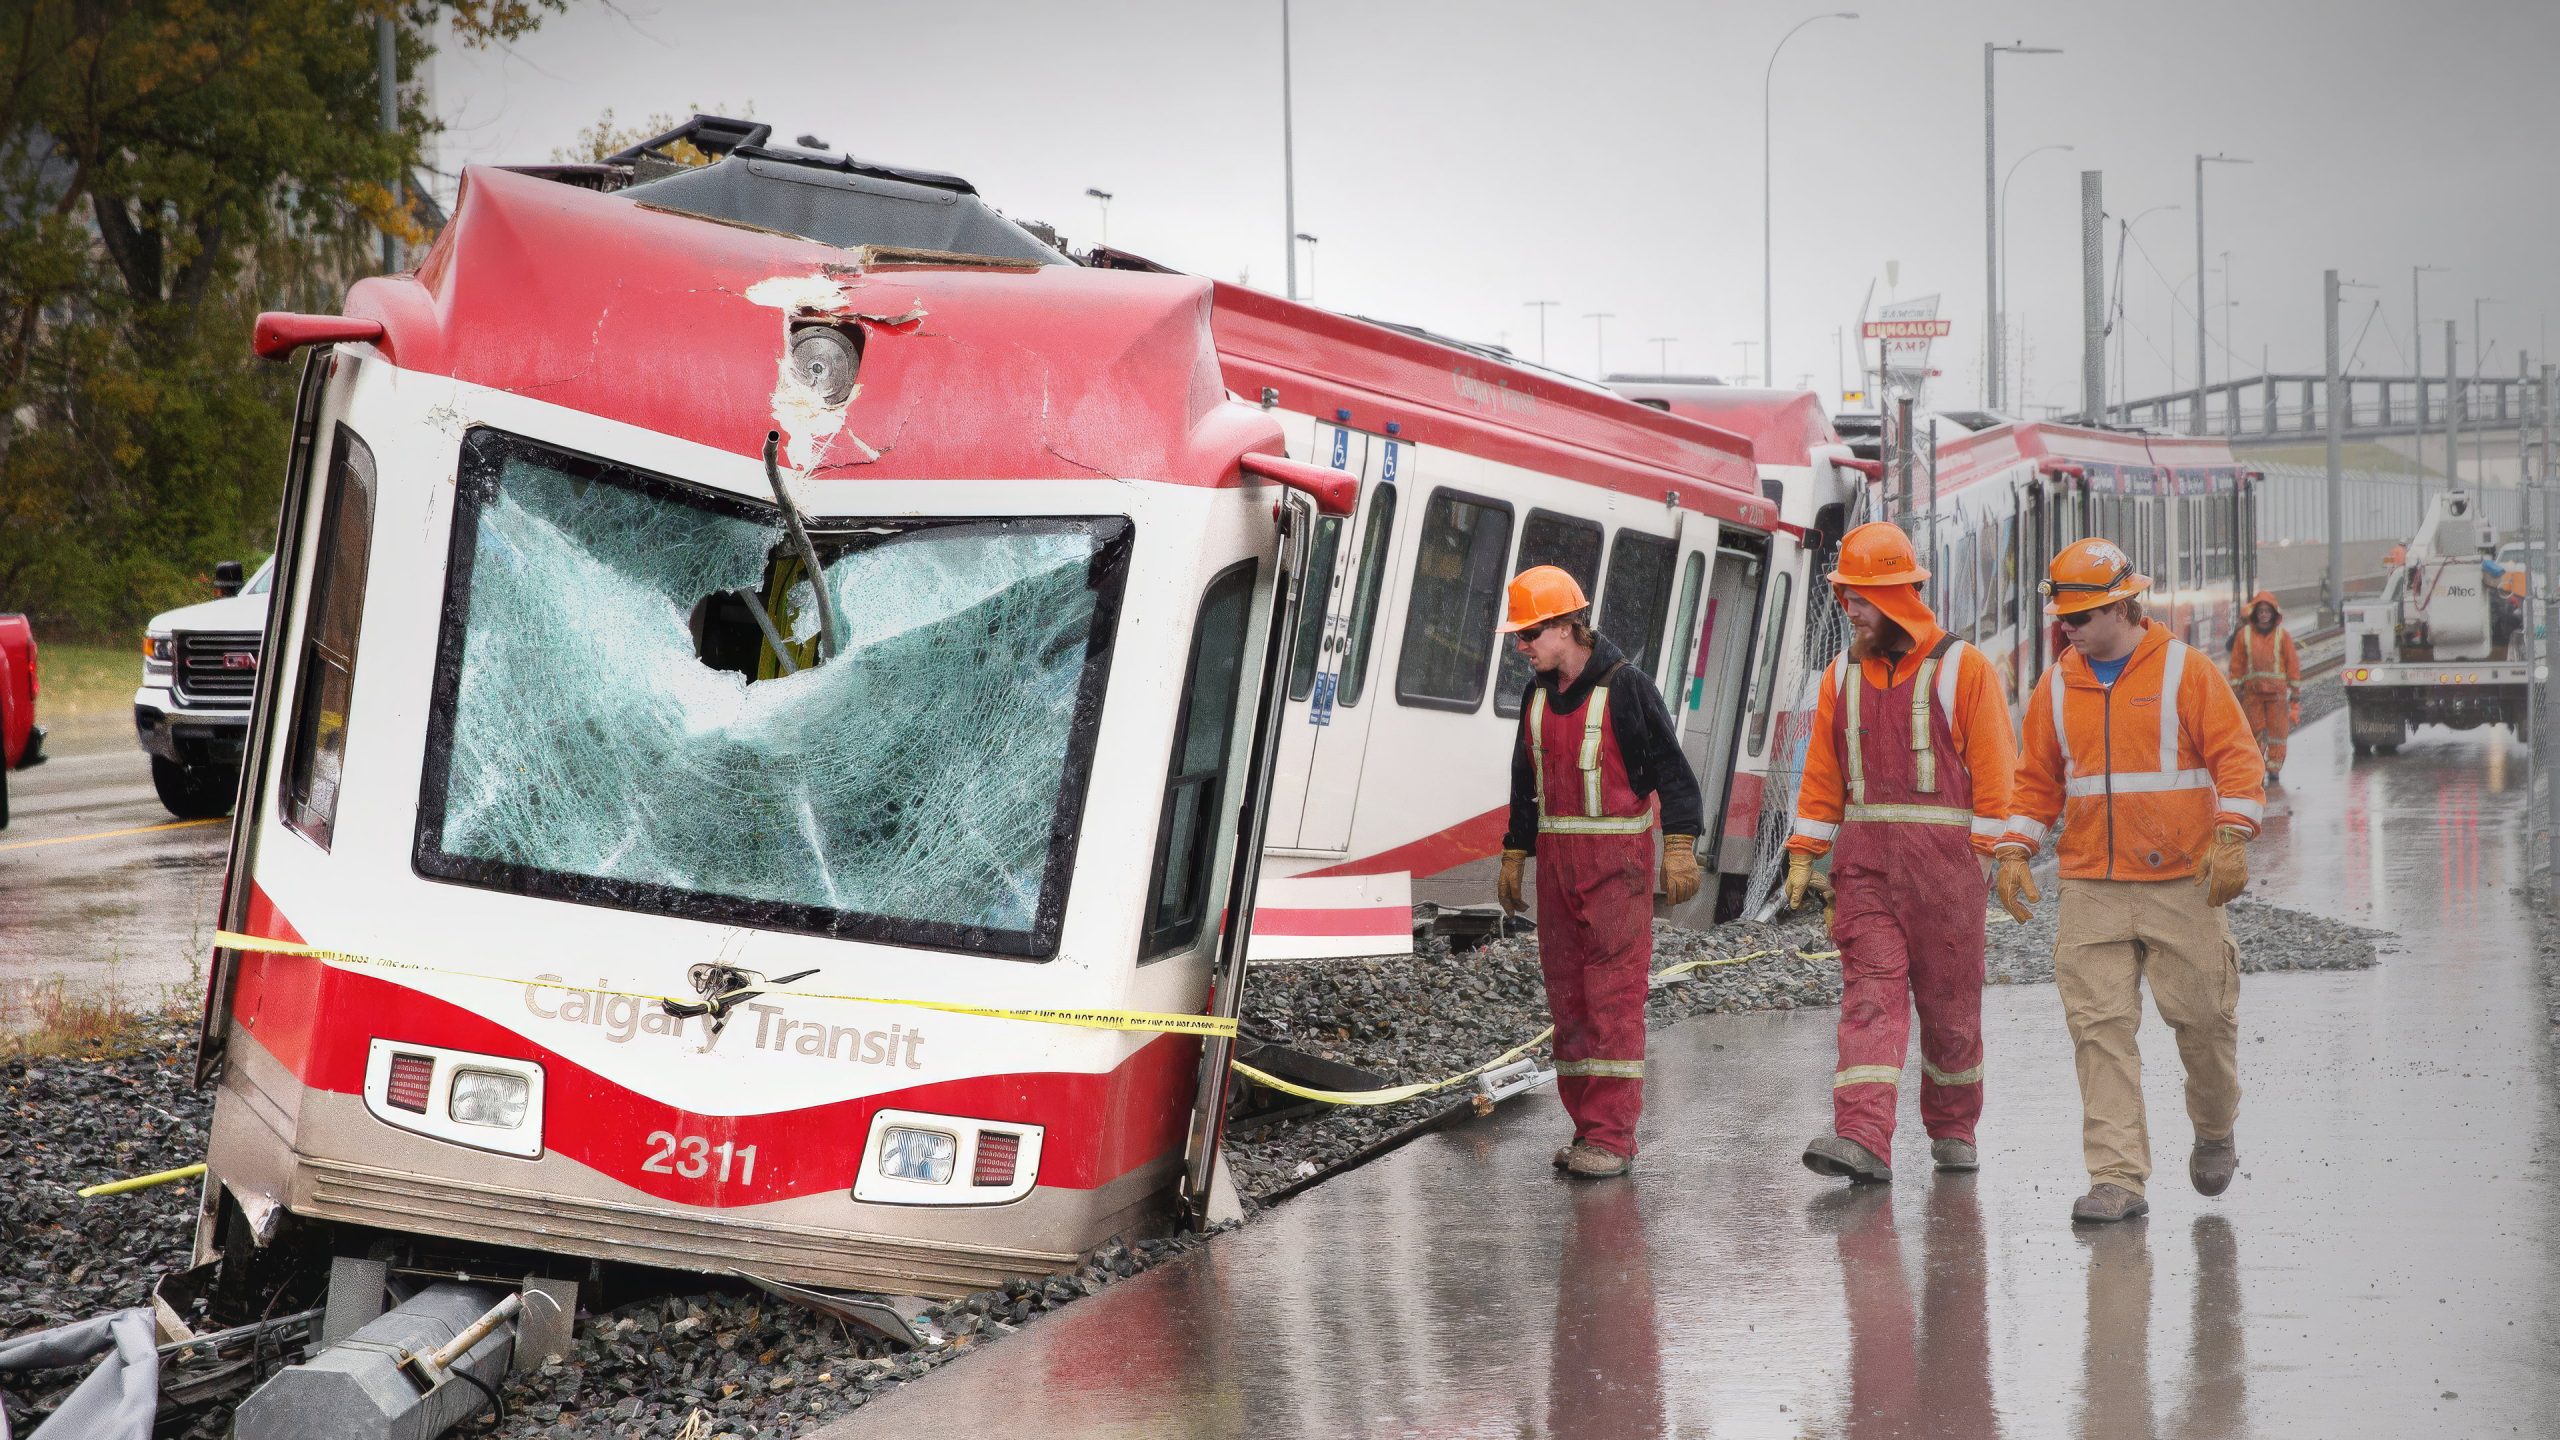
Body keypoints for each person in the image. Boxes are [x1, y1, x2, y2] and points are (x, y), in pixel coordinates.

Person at [1993, 538, 2266, 1225]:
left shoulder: (2186, 673)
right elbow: (2035, 783)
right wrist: (2015, 850)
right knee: (2098, 1030)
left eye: (2080, 617)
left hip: (2182, 883)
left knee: (2203, 1021)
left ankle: (2213, 1127)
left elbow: (2238, 761)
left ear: (2122, 606)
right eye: (2062, 618)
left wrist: (2231, 836)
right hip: (2091, 888)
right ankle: (2117, 1178)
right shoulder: (2055, 686)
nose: (2068, 629)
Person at [1783, 522, 2016, 1185]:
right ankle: (1862, 1137)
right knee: (1869, 1001)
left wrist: (1994, 855)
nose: (1849, 611)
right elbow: (1824, 777)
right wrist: (1805, 851)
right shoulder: (1841, 677)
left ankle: (1952, 1127)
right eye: (1847, 598)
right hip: (1866, 873)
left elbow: (1997, 771)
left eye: (1860, 599)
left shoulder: (1963, 669)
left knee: (1951, 1013)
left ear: (1897, 598)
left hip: (1949, 874)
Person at [1494, 564, 1704, 1179]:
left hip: (1617, 872)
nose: (1521, 647)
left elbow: (1673, 771)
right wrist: (1515, 850)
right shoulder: (1536, 696)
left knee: (1612, 1003)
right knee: (1569, 1005)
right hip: (1559, 872)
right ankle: (1588, 1130)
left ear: (1566, 627)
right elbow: (1524, 780)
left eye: (1529, 634)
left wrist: (1682, 845)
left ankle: (1612, 1139)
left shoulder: (1629, 688)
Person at [2225, 590, 2301, 783]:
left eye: (2267, 611)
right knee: (2252, 732)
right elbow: (2237, 664)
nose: (2264, 615)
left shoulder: (2282, 636)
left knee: (2278, 733)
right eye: (2261, 611)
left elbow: (2292, 664)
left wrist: (2295, 696)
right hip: (2253, 694)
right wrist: (2234, 692)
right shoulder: (2245, 635)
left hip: (2276, 695)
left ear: (2273, 613)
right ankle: (2256, 767)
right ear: (2255, 614)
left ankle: (2274, 768)